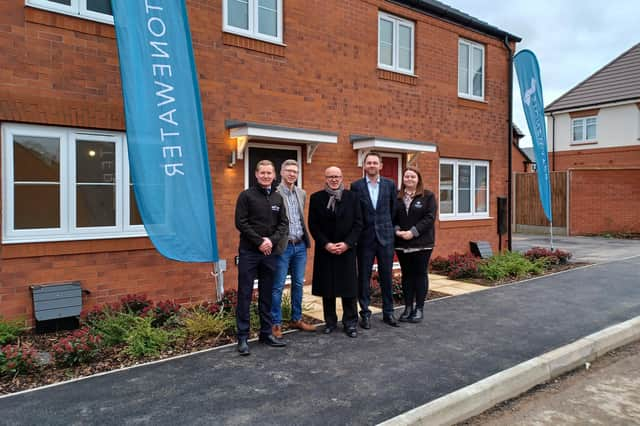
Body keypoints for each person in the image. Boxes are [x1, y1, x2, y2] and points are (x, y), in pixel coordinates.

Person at [234, 160, 289, 356]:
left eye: (269, 173)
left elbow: (283, 224)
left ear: (274, 176)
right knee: (245, 294)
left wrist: (271, 241)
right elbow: (240, 222)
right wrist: (259, 241)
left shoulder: (277, 198)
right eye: (262, 173)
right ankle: (242, 337)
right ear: (256, 175)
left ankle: (266, 334)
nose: (266, 176)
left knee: (266, 294)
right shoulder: (246, 196)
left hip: (269, 254)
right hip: (249, 253)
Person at [308, 166, 363, 337]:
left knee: (349, 288)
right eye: (330, 176)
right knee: (328, 288)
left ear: (341, 177)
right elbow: (313, 225)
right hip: (326, 250)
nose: (334, 179)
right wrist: (326, 244)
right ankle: (330, 322)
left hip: (346, 250)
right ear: (325, 178)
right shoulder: (316, 198)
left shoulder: (352, 197)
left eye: (337, 176)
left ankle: (350, 323)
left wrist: (347, 244)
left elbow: (358, 223)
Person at [350, 151, 399, 328]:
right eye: (368, 163)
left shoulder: (390, 185)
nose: (371, 165)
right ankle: (365, 313)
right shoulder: (356, 186)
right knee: (363, 277)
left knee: (387, 276)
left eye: (374, 163)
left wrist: (390, 229)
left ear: (380, 165)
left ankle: (389, 312)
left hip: (385, 237)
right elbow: (355, 212)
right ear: (364, 166)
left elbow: (394, 210)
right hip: (365, 239)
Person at [271, 160, 315, 338]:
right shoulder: (275, 193)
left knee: (298, 284)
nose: (292, 174)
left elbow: (299, 218)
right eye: (288, 171)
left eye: (295, 172)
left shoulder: (301, 193)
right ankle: (275, 323)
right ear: (281, 173)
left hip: (300, 245)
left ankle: (296, 319)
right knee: (278, 286)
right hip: (284, 246)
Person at [393, 167, 437, 323]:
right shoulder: (397, 197)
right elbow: (392, 218)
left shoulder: (428, 196)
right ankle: (408, 308)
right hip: (401, 244)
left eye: (412, 176)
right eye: (406, 176)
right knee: (407, 276)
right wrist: (397, 230)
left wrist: (413, 232)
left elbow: (430, 218)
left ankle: (419, 308)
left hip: (422, 244)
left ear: (418, 179)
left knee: (419, 275)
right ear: (403, 179)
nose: (409, 179)